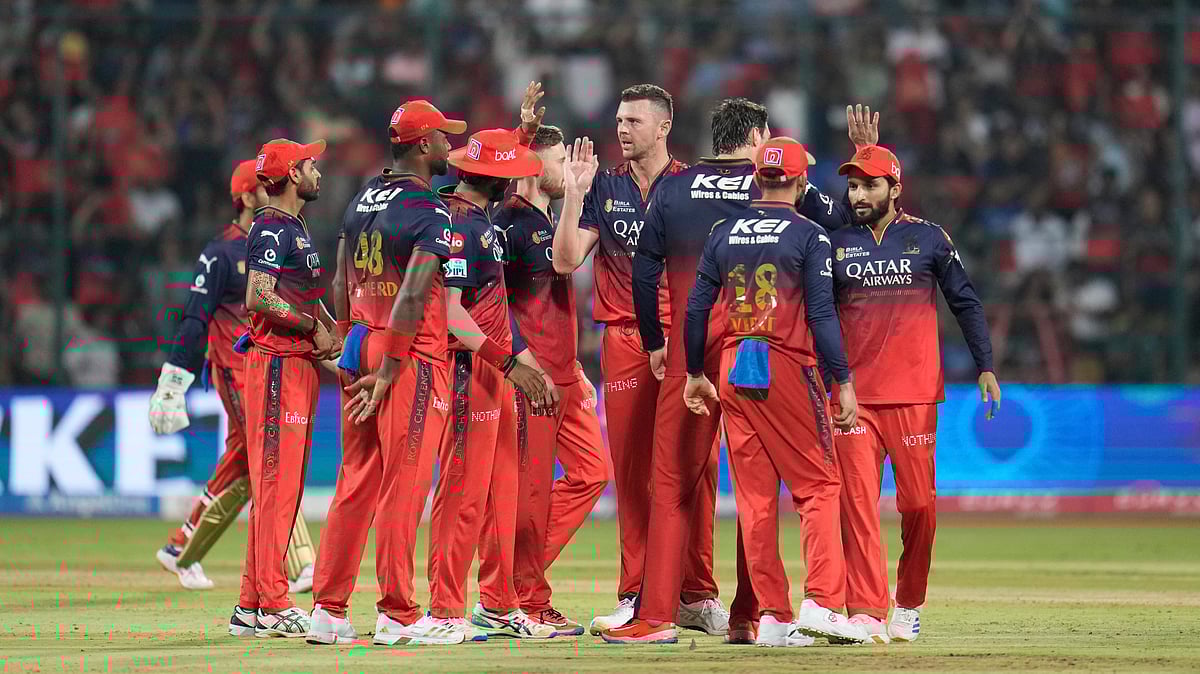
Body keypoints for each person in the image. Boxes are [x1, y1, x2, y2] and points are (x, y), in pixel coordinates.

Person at [681, 137, 874, 647]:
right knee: (819, 487)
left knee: (755, 497)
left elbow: (698, 308)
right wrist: (844, 379)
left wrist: (695, 372)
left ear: (757, 178)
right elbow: (822, 314)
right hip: (785, 360)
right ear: (800, 181)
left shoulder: (723, 232)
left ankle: (771, 616)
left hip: (732, 365)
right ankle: (824, 603)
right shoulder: (810, 235)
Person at [606, 98, 783, 644]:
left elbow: (642, 273)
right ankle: (748, 617)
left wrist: (656, 342)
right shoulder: (771, 185)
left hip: (689, 349)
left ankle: (656, 616)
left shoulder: (673, 188)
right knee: (756, 489)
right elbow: (833, 233)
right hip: (759, 351)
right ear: (756, 135)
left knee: (672, 484)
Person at [551, 84, 719, 635]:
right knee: (632, 471)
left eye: (634, 122)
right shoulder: (604, 186)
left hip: (688, 337)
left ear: (664, 127)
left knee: (697, 469)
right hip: (625, 340)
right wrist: (574, 194)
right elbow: (567, 261)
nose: (622, 130)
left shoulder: (695, 187)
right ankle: (635, 592)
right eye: (619, 120)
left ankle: (695, 593)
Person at [306, 99, 467, 647]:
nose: (451, 145)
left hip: (360, 346)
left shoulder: (360, 198)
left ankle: (328, 609)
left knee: (357, 480)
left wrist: (351, 343)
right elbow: (417, 291)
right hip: (409, 359)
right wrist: (392, 366)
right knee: (405, 483)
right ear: (423, 146)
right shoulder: (430, 211)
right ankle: (398, 613)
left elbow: (338, 281)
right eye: (444, 137)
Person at [831, 144, 1001, 642]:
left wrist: (985, 366)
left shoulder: (929, 239)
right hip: (853, 398)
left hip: (913, 397)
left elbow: (965, 302)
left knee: (919, 506)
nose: (858, 194)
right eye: (854, 185)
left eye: (870, 185)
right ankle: (865, 610)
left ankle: (908, 603)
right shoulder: (835, 242)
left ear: (895, 189)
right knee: (857, 507)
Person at [429, 86, 558, 642]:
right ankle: (443, 611)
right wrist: (513, 366)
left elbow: (492, 308)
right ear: (501, 181)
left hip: (495, 373)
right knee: (462, 496)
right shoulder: (462, 226)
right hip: (469, 374)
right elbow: (454, 316)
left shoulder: (477, 218)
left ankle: (500, 605)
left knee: (497, 497)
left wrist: (525, 365)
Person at [150, 159, 314, 593]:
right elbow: (194, 318)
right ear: (246, 198)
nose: (273, 191)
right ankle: (299, 564)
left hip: (269, 370)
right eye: (263, 187)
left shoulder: (282, 239)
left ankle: (182, 546)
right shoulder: (220, 251)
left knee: (246, 464)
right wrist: (173, 382)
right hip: (235, 370)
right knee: (268, 458)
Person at [491, 124, 608, 636]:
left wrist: (573, 368)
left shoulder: (548, 219)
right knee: (531, 494)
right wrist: (520, 362)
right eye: (560, 158)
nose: (568, 166)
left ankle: (517, 580)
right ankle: (524, 600)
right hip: (531, 379)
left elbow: (562, 269)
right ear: (536, 165)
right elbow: (490, 300)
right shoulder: (508, 222)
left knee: (593, 473)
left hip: (566, 376)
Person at [228, 138, 340, 638]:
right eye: (311, 164)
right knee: (276, 485)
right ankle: (274, 602)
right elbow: (259, 296)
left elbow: (308, 300)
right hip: (276, 367)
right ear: (293, 174)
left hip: (295, 367)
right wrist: (309, 327)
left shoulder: (294, 228)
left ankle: (251, 603)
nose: (319, 171)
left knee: (282, 485)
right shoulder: (272, 227)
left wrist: (334, 337)